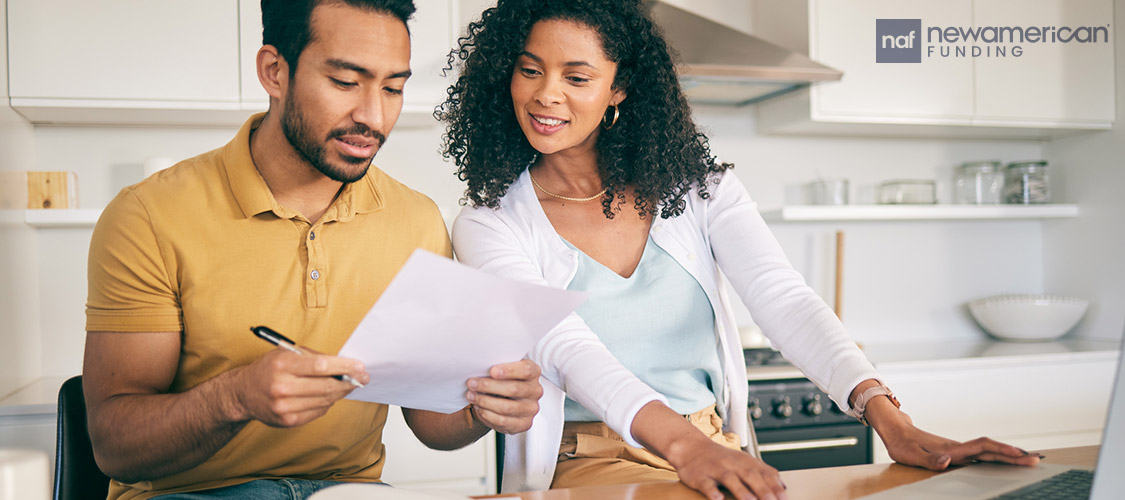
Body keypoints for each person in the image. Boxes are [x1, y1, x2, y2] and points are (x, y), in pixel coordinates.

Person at [438, 1, 1041, 500]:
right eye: (529, 70)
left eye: (576, 77)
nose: (546, 96)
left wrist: (893, 423)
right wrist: (681, 445)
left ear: (618, 90)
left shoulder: (699, 189)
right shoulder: (491, 223)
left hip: (711, 444)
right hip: (588, 461)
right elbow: (564, 347)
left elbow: (784, 300)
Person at [82, 1, 542, 499]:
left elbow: (429, 421)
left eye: (393, 88)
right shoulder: (149, 215)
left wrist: (482, 408)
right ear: (274, 72)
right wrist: (233, 398)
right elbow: (115, 447)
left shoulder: (415, 221)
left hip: (348, 491)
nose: (373, 116)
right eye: (346, 82)